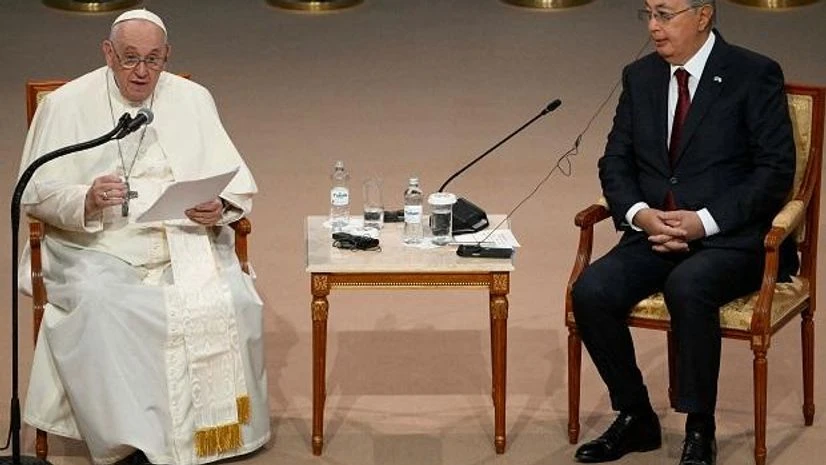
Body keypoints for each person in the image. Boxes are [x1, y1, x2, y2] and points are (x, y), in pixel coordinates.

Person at [18, 9, 270, 465]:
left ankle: (207, 435)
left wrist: (219, 206)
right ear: (108, 53)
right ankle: (129, 440)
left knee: (231, 296)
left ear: (168, 56)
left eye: (154, 60)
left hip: (182, 237)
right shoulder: (66, 104)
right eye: (130, 58)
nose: (141, 72)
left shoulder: (193, 98)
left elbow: (231, 181)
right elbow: (35, 195)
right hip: (97, 244)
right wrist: (87, 198)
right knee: (102, 303)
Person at [570, 1, 796, 464]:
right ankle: (636, 416)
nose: (653, 27)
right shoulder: (640, 77)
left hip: (729, 238)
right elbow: (615, 160)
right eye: (648, 13)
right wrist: (639, 213)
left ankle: (699, 428)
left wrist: (703, 221)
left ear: (703, 15)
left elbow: (774, 172)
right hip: (654, 232)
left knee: (688, 284)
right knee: (591, 290)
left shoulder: (753, 74)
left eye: (665, 14)